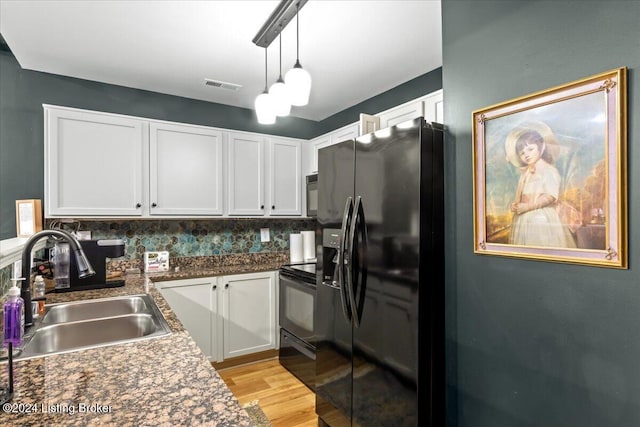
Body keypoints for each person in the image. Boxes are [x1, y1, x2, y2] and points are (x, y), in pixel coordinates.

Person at [505, 123, 576, 248]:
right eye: (522, 153)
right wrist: (516, 204)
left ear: (541, 148)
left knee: (542, 244)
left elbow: (550, 196)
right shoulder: (525, 174)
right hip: (524, 218)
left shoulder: (548, 170)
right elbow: (522, 194)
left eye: (530, 149)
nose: (526, 154)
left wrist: (528, 206)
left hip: (542, 218)